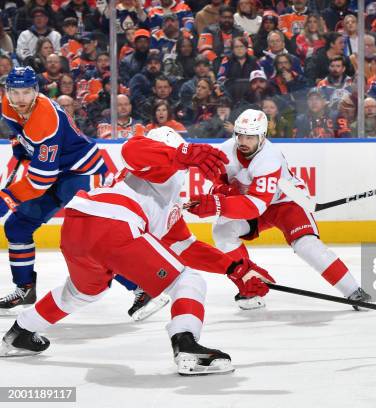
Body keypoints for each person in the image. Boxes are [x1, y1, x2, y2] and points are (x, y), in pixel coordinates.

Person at [0, 127, 275, 377]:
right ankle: (187, 345)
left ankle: (20, 332)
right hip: (115, 224)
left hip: (78, 227)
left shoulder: (162, 195)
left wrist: (234, 269)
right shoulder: (155, 166)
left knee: (82, 292)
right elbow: (132, 150)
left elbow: (186, 247)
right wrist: (183, 154)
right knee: (188, 282)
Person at [187, 109, 371, 310]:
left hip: (286, 203)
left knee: (306, 245)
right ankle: (249, 284)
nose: (243, 141)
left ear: (262, 137)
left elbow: (255, 205)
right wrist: (220, 190)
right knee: (222, 231)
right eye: (240, 135)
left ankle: (354, 290)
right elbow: (218, 183)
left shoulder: (268, 158)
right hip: (251, 201)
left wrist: (219, 204)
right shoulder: (225, 152)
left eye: (250, 137)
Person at [0, 66, 105, 312]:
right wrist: (21, 144)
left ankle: (140, 287)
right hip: (55, 170)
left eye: (26, 92)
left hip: (81, 172)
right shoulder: (7, 105)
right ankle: (24, 288)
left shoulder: (45, 119)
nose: (20, 99)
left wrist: (8, 197)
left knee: (92, 239)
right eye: (15, 93)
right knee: (17, 227)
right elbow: (20, 132)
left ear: (36, 91)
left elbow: (39, 181)